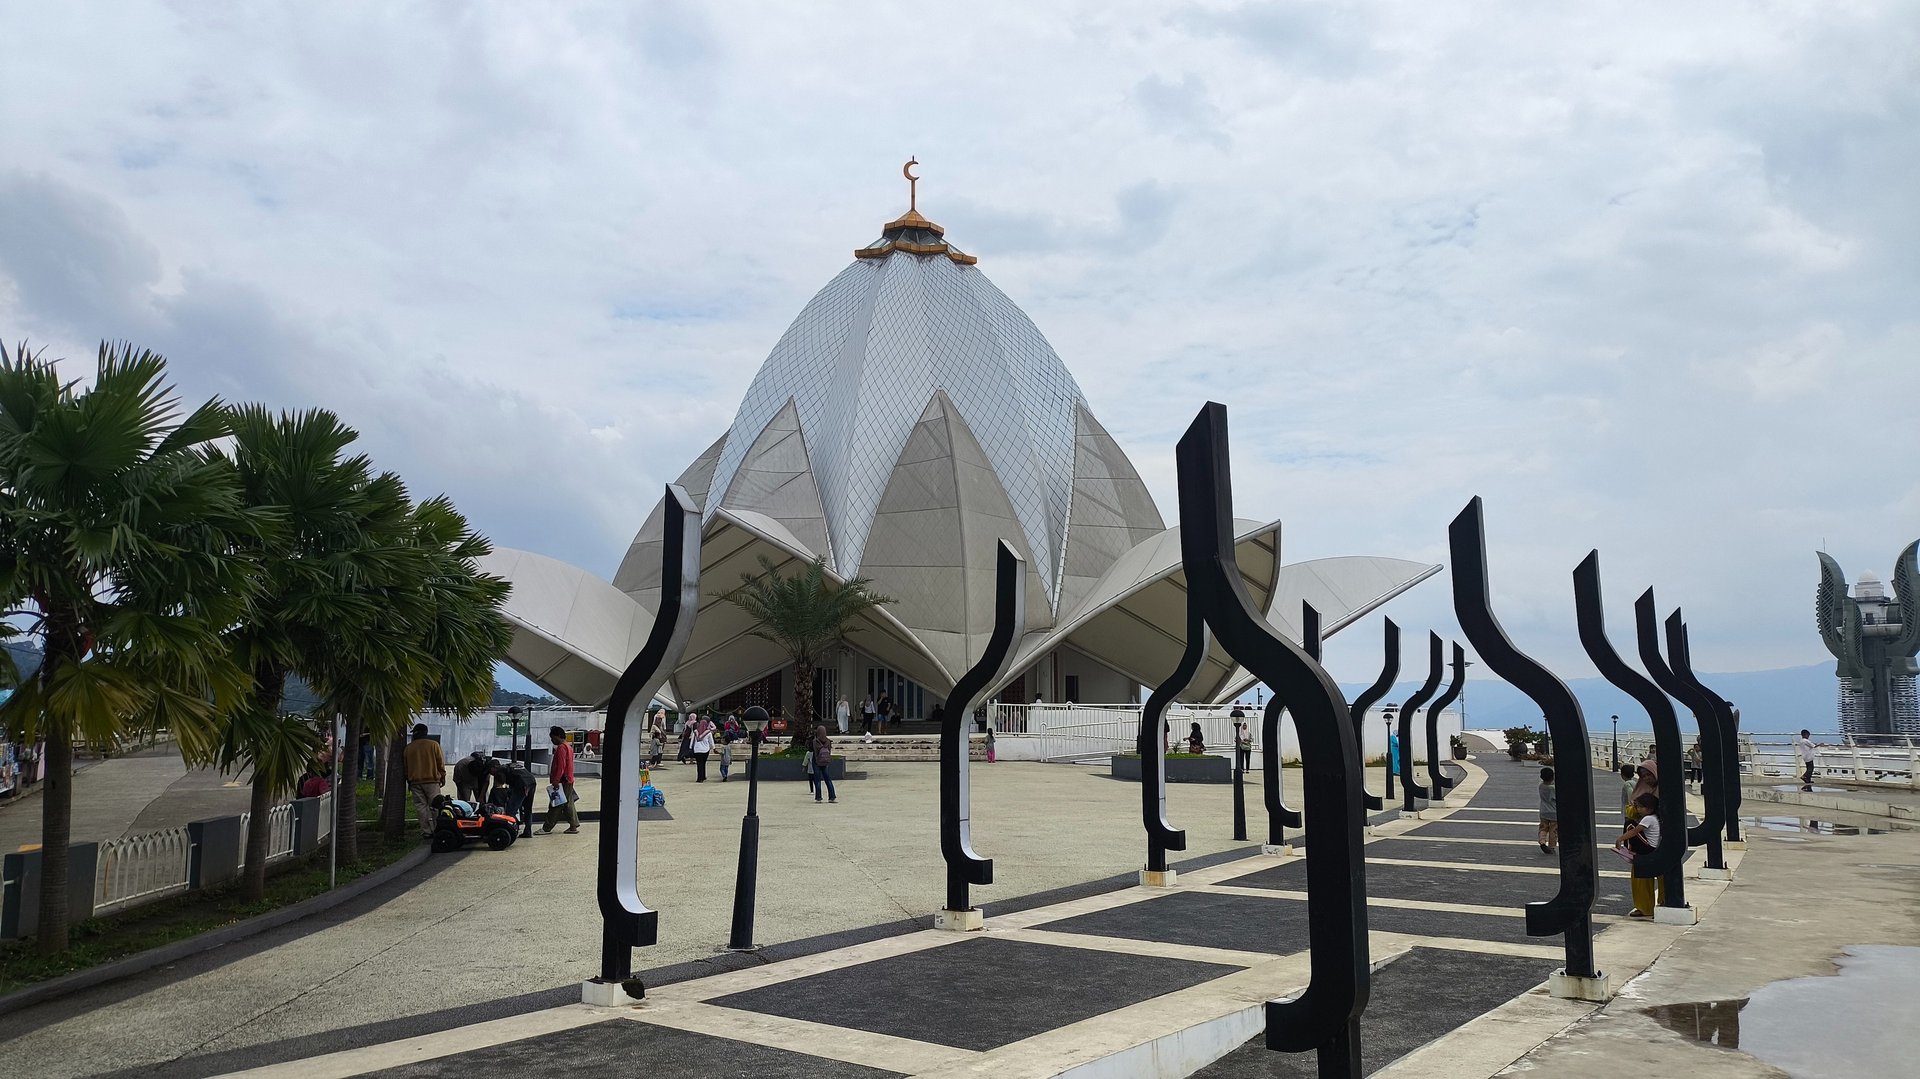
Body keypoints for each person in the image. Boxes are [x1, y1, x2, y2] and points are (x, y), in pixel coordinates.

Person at [1623, 792, 1664, 917]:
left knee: (1629, 825)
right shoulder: (1653, 816)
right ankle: (1651, 905)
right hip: (1654, 845)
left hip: (1650, 847)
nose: (1638, 810)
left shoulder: (1649, 818)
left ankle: (1657, 904)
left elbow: (1634, 830)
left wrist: (1621, 839)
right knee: (1643, 877)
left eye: (1640, 807)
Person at [404, 724, 447, 839]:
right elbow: (440, 762)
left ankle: (426, 831)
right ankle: (438, 828)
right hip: (432, 781)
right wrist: (442, 776)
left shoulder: (409, 748)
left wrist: (408, 779)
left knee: (421, 807)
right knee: (436, 806)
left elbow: (406, 767)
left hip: (415, 782)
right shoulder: (433, 745)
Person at [543, 726, 580, 834]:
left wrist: (556, 780)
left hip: (562, 781)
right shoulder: (568, 746)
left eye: (552, 737)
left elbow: (560, 766)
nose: (551, 740)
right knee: (568, 803)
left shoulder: (561, 748)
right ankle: (573, 825)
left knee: (556, 804)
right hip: (568, 779)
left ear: (558, 736)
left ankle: (547, 827)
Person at [488, 758, 535, 824]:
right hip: (532, 781)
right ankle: (528, 831)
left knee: (511, 808)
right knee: (528, 808)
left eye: (490, 772)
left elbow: (502, 784)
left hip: (522, 784)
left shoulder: (500, 770)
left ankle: (509, 827)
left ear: (493, 768)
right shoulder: (510, 765)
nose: (491, 774)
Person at [809, 724, 837, 803]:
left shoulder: (815, 741)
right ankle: (832, 797)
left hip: (816, 762)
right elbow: (829, 751)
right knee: (828, 779)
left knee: (817, 780)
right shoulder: (828, 741)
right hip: (825, 762)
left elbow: (811, 750)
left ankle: (818, 798)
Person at [1537, 766, 1558, 854]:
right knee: (1553, 830)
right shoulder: (1552, 789)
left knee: (1543, 827)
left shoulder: (1541, 786)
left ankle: (1542, 841)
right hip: (1554, 812)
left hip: (1543, 811)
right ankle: (1552, 846)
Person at [690, 712, 716, 782]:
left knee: (699, 764)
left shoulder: (695, 731)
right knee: (703, 763)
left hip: (697, 750)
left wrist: (690, 748)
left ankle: (699, 778)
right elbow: (711, 742)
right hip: (705, 750)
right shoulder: (708, 732)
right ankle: (703, 776)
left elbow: (692, 741)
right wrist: (713, 748)